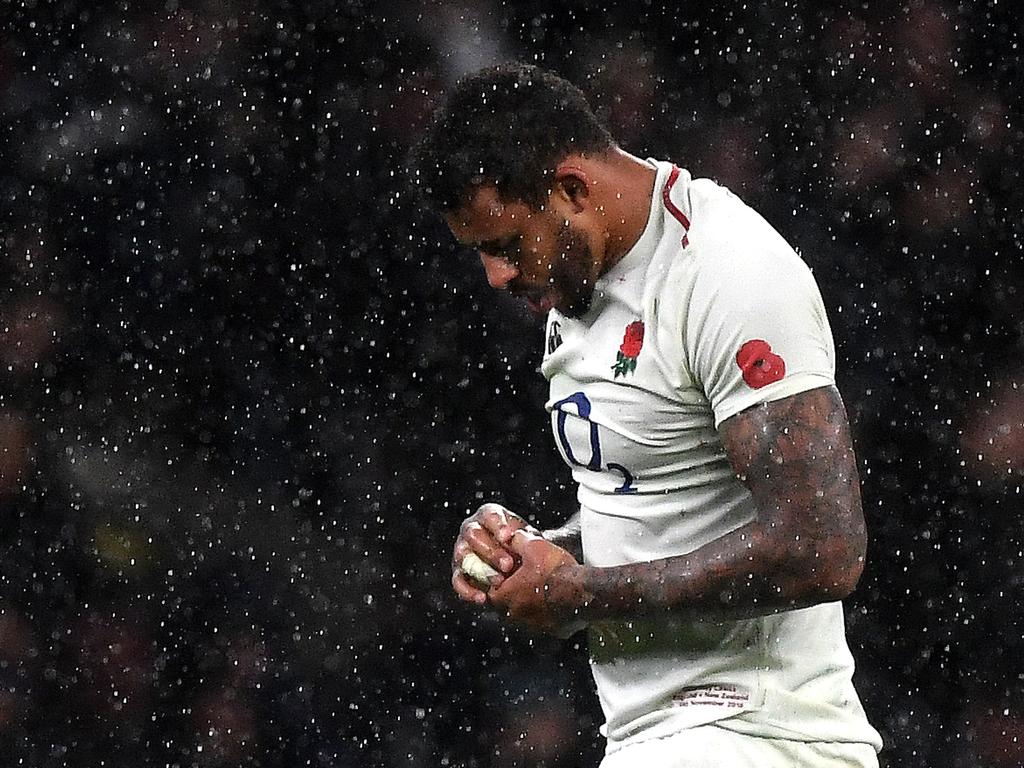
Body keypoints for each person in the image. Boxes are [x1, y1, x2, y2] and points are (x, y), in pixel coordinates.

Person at [410, 63, 883, 767]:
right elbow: (656, 511)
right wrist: (536, 554)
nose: (497, 276)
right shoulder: (577, 283)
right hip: (661, 737)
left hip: (758, 733)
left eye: (506, 246)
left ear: (572, 188)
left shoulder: (729, 273)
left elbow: (824, 548)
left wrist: (577, 595)